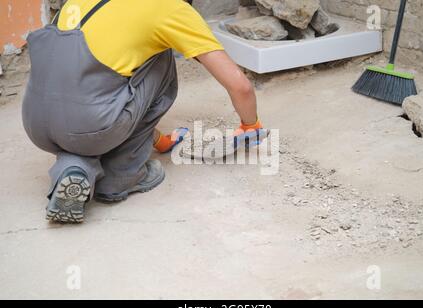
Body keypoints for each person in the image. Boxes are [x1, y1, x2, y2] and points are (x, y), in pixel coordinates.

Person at [22, 0, 264, 223]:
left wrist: (158, 140)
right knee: (161, 53)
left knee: (85, 108)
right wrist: (250, 124)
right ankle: (122, 174)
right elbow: (240, 86)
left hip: (35, 123)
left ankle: (74, 168)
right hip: (91, 125)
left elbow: (84, 85)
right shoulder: (167, 8)